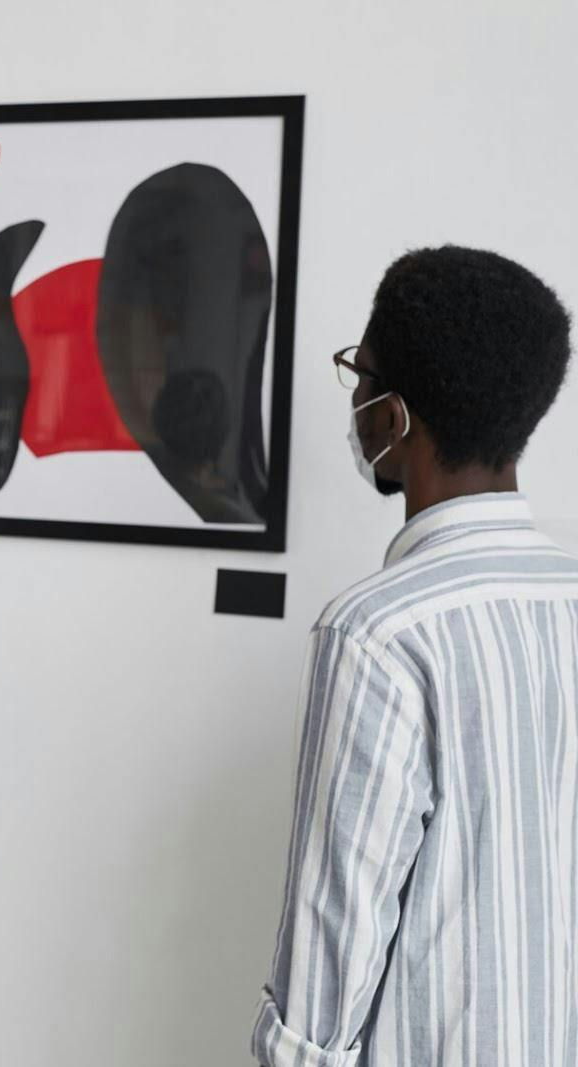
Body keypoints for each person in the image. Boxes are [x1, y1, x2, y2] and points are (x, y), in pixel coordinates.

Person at [254, 245, 577, 1066]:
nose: (355, 398)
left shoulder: (375, 634)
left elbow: (331, 955)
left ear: (392, 416)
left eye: (359, 375)